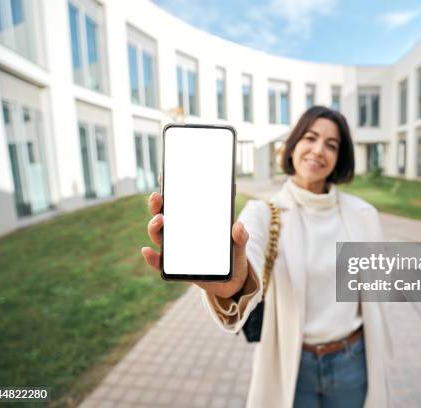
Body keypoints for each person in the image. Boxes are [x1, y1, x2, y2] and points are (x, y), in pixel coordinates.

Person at [142, 106, 392, 408]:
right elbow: (248, 267)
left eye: (331, 144)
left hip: (354, 362)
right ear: (293, 144)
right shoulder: (263, 213)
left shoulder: (363, 215)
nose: (318, 150)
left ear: (341, 156)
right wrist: (232, 286)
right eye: (310, 138)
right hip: (293, 363)